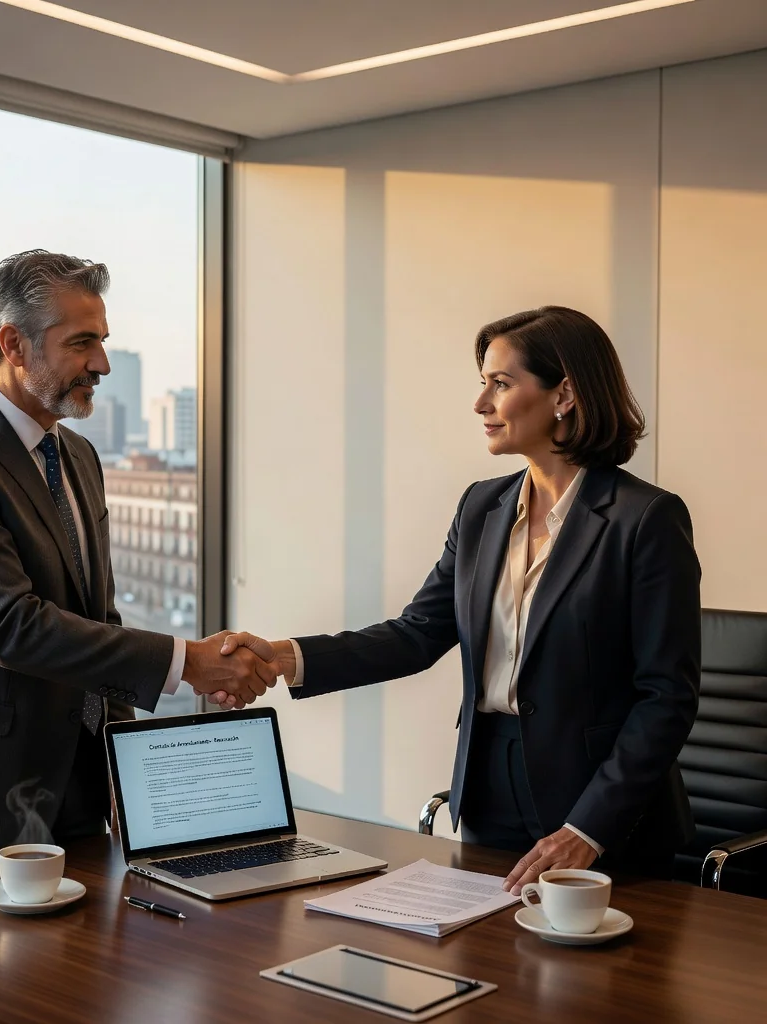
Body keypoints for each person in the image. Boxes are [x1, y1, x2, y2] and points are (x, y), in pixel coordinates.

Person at [219, 306, 701, 894]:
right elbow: (417, 633)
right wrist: (282, 656)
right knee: (493, 963)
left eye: (501, 384)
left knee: (599, 982)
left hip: (601, 803)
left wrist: (589, 827)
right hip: (489, 780)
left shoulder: (645, 520)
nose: (481, 404)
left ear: (565, 395)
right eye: (484, 384)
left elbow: (665, 696)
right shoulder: (482, 508)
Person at [0, 250, 279, 877]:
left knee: (82, 977)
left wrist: (122, 768)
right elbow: (13, 626)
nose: (102, 363)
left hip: (78, 793)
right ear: (14, 344)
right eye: (82, 343)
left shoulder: (78, 457)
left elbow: (96, 617)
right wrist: (186, 661)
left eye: (103, 342)